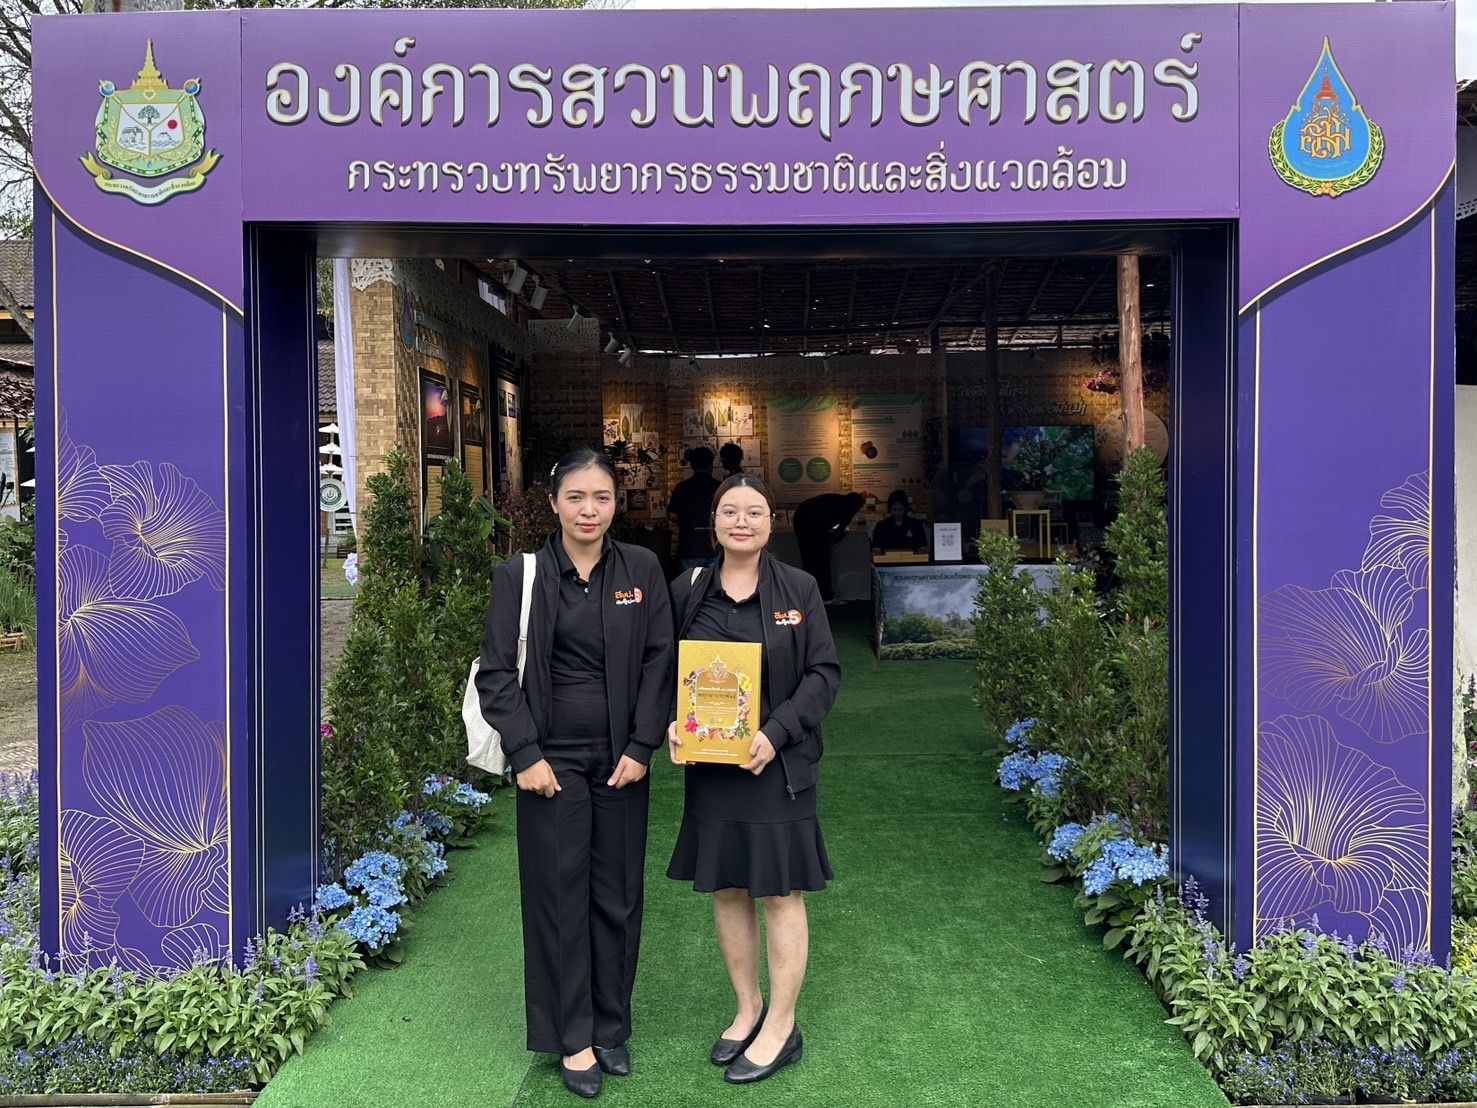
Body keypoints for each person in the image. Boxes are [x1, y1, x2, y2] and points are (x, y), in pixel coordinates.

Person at [476, 448, 676, 1100]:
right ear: (554, 503)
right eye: (576, 497)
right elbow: (495, 673)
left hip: (622, 762)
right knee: (559, 899)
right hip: (550, 765)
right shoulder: (521, 575)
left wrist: (643, 745)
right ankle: (574, 1037)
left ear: (616, 503)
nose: (589, 509)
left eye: (602, 497)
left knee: (617, 895)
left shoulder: (640, 568)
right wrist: (525, 754)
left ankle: (612, 1025)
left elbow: (660, 661)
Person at [666, 473, 841, 1086]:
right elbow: (663, 669)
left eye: (755, 512)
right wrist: (670, 722)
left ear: (772, 522)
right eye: (730, 511)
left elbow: (824, 674)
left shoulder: (799, 588)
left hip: (778, 767)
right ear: (713, 520)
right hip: (713, 768)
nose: (742, 521)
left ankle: (781, 1026)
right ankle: (748, 1009)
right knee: (729, 887)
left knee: (779, 892)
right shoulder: (688, 588)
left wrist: (777, 731)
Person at [789, 491, 864, 604]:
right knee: (822, 563)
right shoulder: (848, 507)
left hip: (801, 518)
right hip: (812, 523)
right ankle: (826, 596)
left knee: (809, 561)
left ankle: (810, 597)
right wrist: (832, 540)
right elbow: (839, 530)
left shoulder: (836, 499)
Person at [668, 446, 721, 570]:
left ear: (692, 465)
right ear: (711, 465)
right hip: (714, 547)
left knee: (689, 582)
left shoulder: (682, 487)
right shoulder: (719, 488)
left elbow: (672, 515)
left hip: (689, 547)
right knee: (714, 582)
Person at [871, 489, 929, 554]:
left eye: (900, 510)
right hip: (888, 560)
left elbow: (923, 549)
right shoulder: (881, 526)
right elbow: (876, 550)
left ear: (905, 508)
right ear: (890, 509)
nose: (897, 513)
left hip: (910, 560)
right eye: (894, 510)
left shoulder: (916, 525)